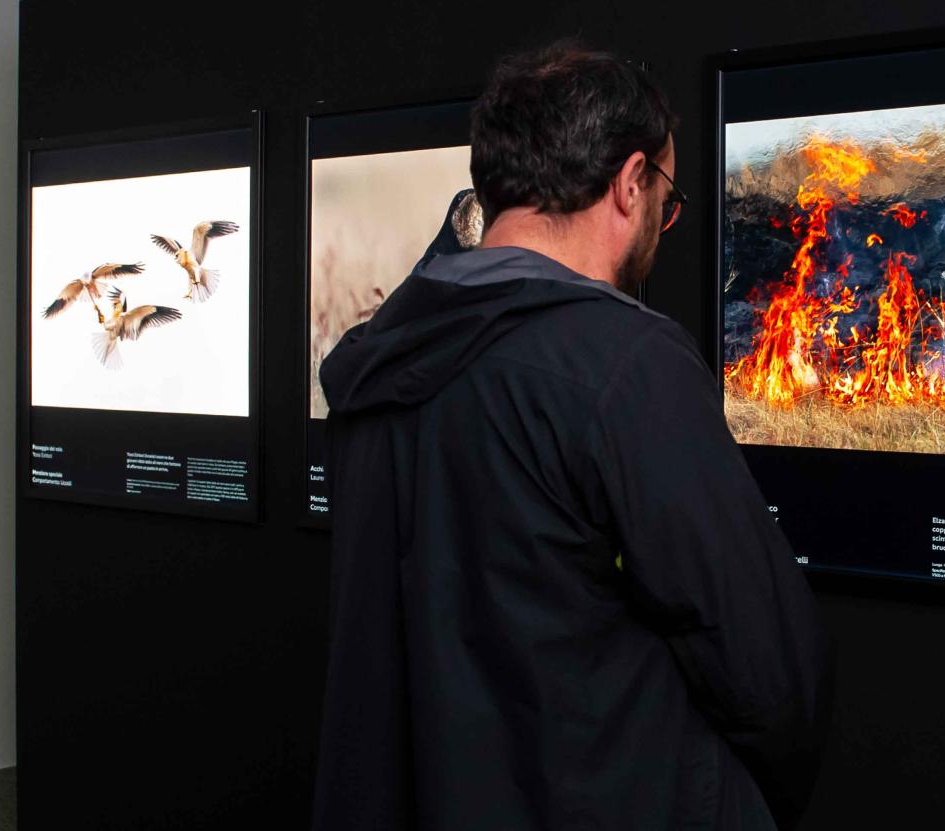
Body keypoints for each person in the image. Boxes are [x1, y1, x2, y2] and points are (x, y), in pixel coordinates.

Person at [312, 41, 832, 831]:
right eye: (668, 194)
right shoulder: (623, 364)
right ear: (629, 185)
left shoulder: (377, 357)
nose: (665, 216)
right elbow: (765, 664)